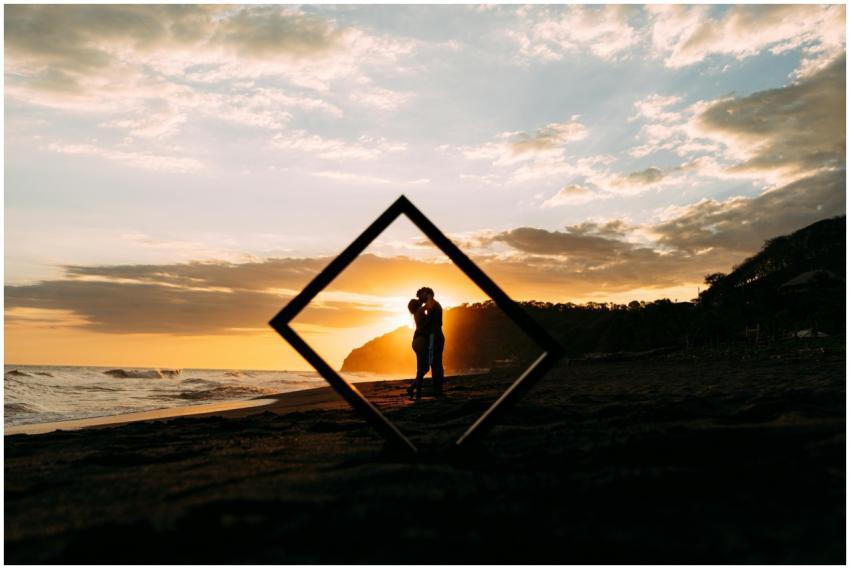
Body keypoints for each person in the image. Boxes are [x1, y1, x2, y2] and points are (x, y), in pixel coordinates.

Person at [416, 286, 445, 397]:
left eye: (421, 295)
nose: (420, 298)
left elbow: (429, 321)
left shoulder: (431, 302)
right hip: (436, 336)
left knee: (435, 363)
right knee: (435, 363)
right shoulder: (431, 304)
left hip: (435, 336)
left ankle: (438, 389)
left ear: (427, 293)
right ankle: (437, 389)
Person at [405, 298, 429, 400]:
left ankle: (412, 387)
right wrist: (426, 298)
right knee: (421, 369)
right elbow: (427, 306)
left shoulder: (416, 312)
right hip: (420, 341)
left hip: (418, 341)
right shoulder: (419, 311)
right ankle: (418, 392)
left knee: (425, 368)